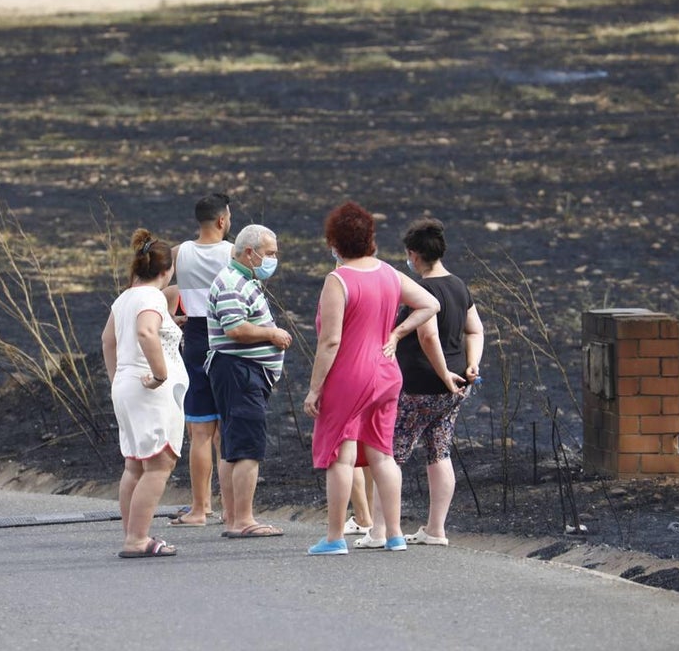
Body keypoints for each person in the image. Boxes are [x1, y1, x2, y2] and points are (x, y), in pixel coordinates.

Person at [303, 202, 440, 555]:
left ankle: (334, 537)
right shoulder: (389, 273)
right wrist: (397, 333)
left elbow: (330, 341)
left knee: (341, 455)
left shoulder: (338, 280)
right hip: (386, 372)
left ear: (335, 242)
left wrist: (315, 388)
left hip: (350, 376)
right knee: (383, 454)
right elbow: (430, 304)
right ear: (370, 239)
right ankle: (394, 534)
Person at [357, 217, 484, 549]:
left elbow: (428, 337)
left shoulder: (423, 290)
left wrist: (442, 373)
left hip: (419, 386)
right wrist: (471, 363)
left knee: (389, 455)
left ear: (413, 254)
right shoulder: (459, 285)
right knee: (439, 452)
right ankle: (435, 530)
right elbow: (475, 329)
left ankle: (380, 531)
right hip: (455, 387)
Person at [102, 229, 188, 558]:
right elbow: (146, 332)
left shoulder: (125, 298)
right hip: (150, 390)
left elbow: (108, 341)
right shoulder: (152, 297)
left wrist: (117, 378)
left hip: (126, 385)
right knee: (159, 463)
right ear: (166, 270)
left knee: (135, 465)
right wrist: (160, 373)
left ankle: (133, 534)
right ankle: (137, 539)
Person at [205, 224, 292, 538]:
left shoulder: (244, 280)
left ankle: (233, 517)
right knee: (246, 447)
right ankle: (243, 520)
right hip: (240, 371)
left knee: (232, 445)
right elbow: (235, 328)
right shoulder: (232, 283)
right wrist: (271, 334)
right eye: (269, 253)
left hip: (240, 372)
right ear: (250, 253)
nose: (273, 260)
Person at [168, 193, 234, 528]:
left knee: (200, 430)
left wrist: (171, 319)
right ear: (222, 220)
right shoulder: (233, 253)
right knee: (228, 429)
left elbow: (156, 287)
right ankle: (231, 509)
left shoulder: (178, 253)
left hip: (194, 336)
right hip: (227, 337)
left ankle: (199, 508)